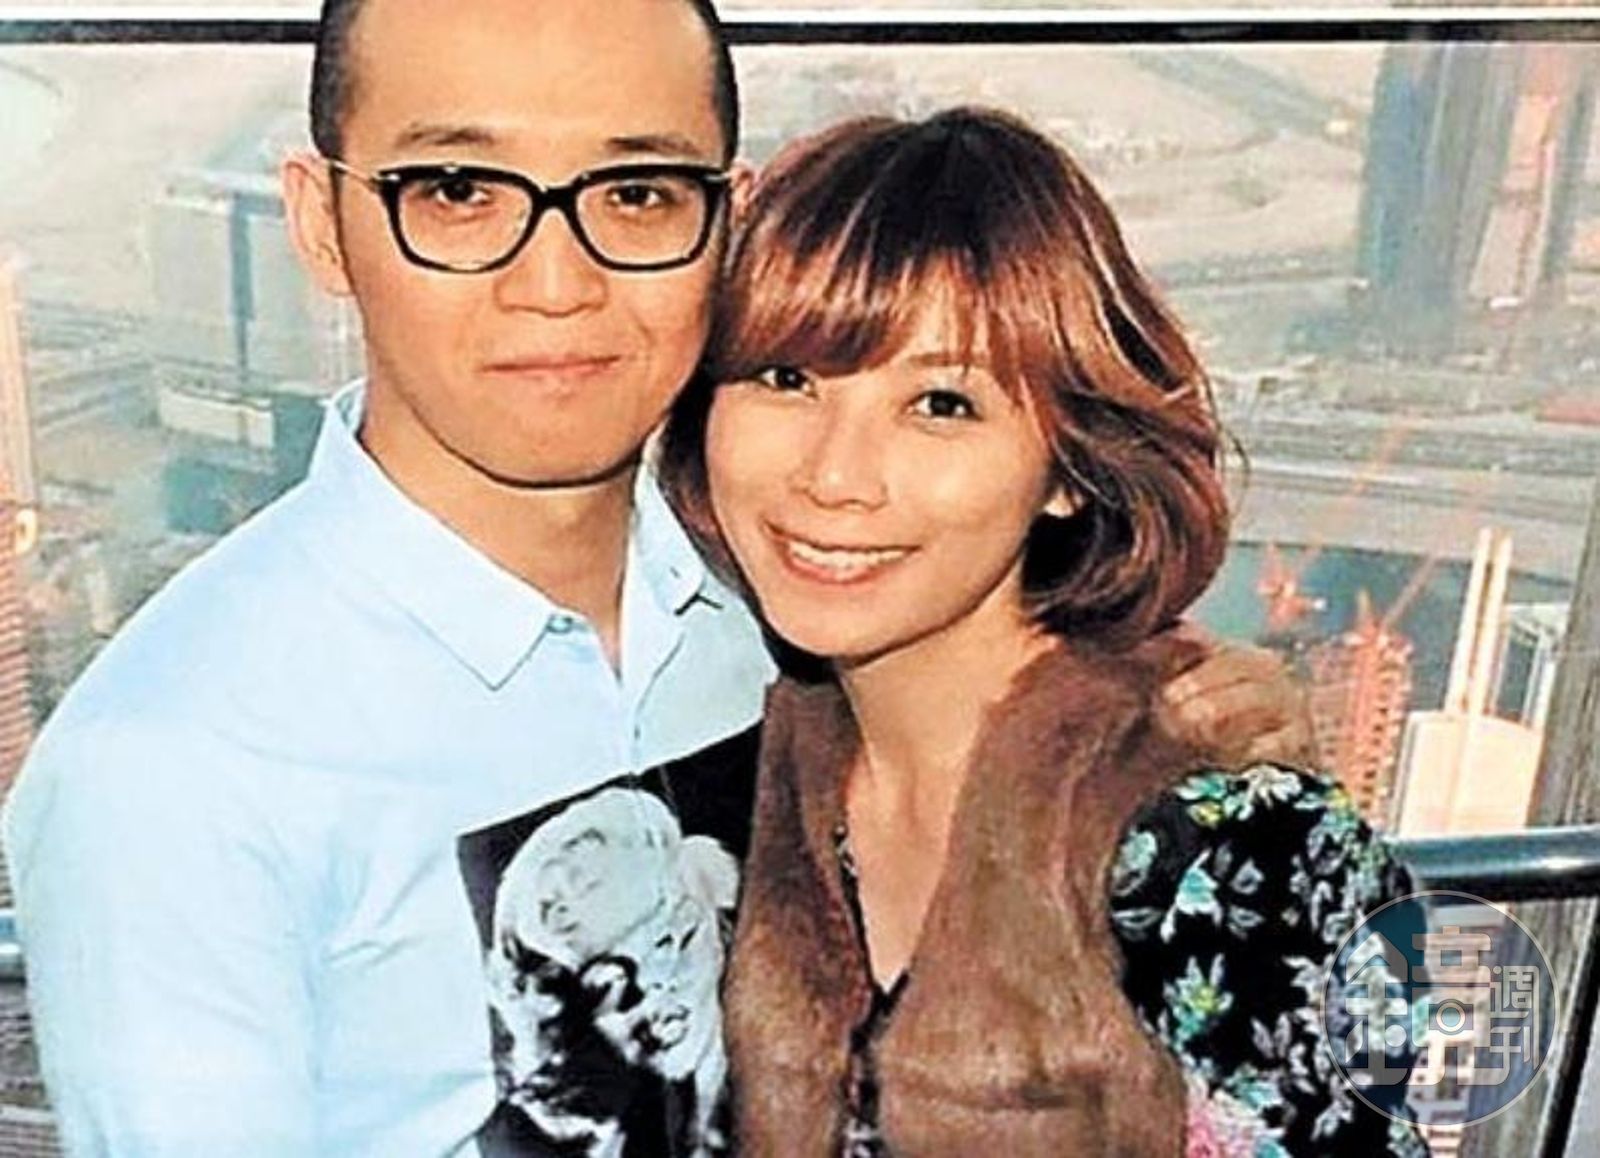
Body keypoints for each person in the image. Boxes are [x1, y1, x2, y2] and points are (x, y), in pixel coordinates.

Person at [4, 3, 1309, 1155]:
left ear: (720, 222)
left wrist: (1193, 746)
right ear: (321, 222)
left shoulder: (781, 587)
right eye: (456, 189)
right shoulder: (170, 768)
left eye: (634, 195)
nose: (555, 283)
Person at [658, 107, 1425, 1155]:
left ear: (1068, 469)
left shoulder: (1225, 845)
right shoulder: (734, 785)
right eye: (786, 379)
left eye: (941, 404)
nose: (834, 476)